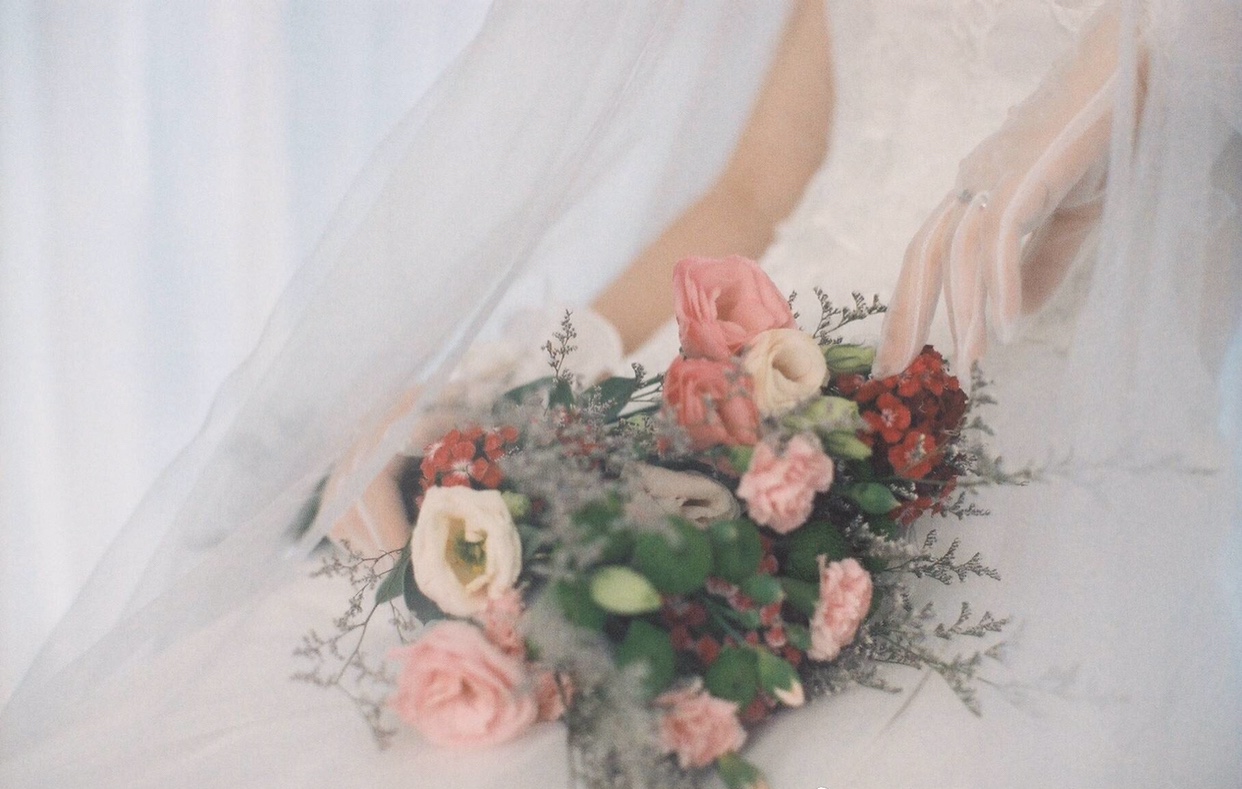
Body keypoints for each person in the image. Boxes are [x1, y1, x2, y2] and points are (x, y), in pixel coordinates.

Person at [1, 1, 1238, 787]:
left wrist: (1069, 137)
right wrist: (516, 384)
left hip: (1038, 424)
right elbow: (755, 193)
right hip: (732, 377)